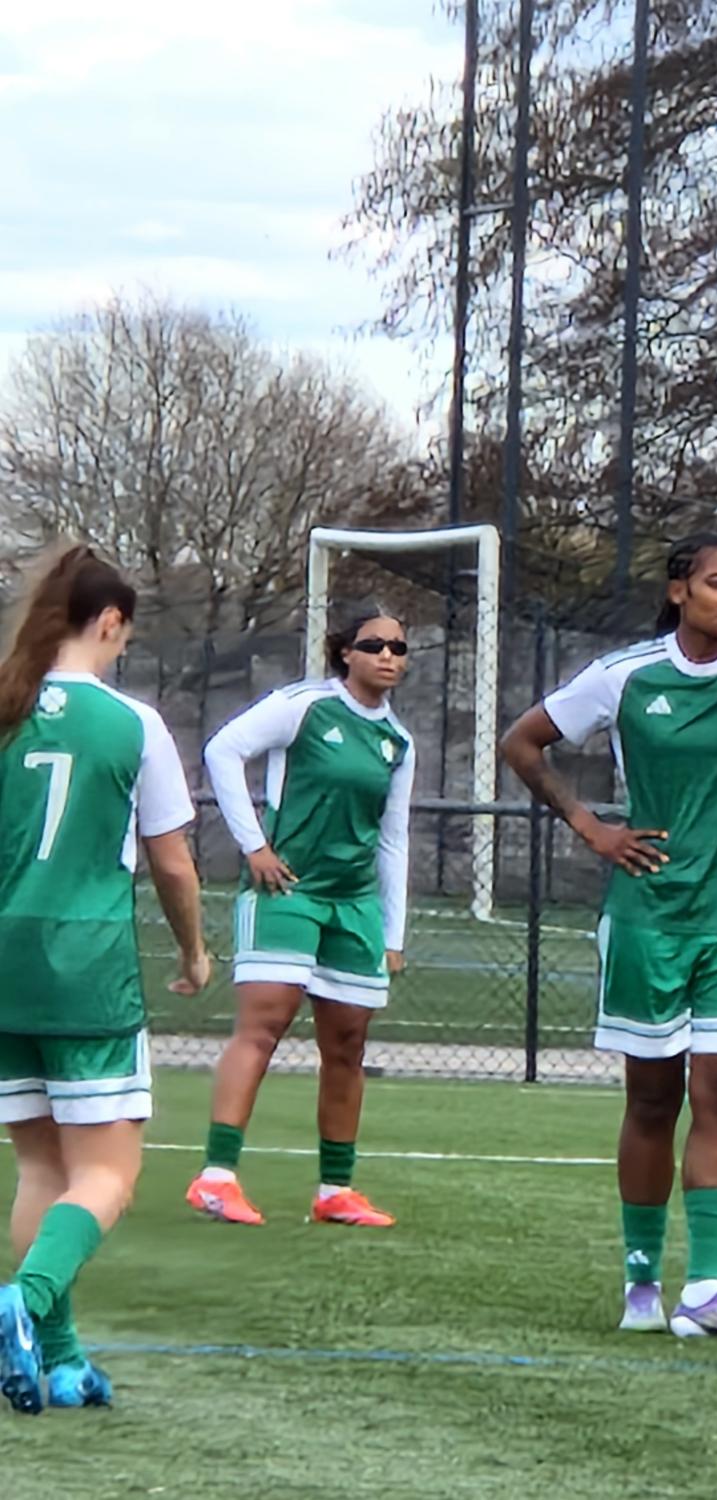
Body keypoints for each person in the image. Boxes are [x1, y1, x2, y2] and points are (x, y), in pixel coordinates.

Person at [501, 533, 717, 1338]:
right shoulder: (627, 675)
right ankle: (641, 1286)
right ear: (679, 591)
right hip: (648, 918)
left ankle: (706, 1291)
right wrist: (590, 826)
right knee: (652, 1099)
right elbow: (521, 743)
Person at [0, 546, 208, 1414]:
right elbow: (173, 863)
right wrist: (194, 952)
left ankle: (61, 1362)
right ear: (111, 621)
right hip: (86, 965)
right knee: (108, 1174)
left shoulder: (6, 707)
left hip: (5, 962)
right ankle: (23, 1301)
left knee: (41, 1170)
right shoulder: (132, 724)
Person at [186, 609, 415, 1229]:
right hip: (288, 892)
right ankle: (215, 1178)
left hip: (354, 904)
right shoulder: (305, 706)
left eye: (399, 647)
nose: (388, 655)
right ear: (345, 653)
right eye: (375, 645)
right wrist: (254, 846)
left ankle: (335, 1190)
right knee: (263, 1025)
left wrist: (392, 932)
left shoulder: (398, 741)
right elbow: (223, 750)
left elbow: (392, 838)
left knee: (347, 1044)